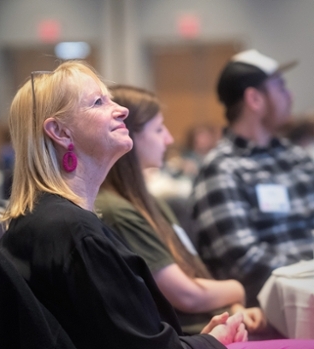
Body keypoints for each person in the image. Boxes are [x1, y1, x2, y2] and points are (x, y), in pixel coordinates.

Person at [0, 61, 247, 349]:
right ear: (61, 132)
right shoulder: (76, 234)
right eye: (98, 102)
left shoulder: (43, 222)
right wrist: (211, 343)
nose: (121, 110)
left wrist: (200, 340)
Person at [95, 85, 266, 336]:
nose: (169, 139)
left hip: (207, 330)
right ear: (129, 134)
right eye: (158, 129)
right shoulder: (117, 211)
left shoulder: (150, 201)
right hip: (187, 337)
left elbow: (192, 268)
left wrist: (234, 307)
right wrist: (237, 290)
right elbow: (187, 295)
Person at [189, 49, 314, 307]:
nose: (290, 96)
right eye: (280, 87)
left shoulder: (297, 158)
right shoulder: (222, 168)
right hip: (269, 309)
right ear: (255, 99)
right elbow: (244, 262)